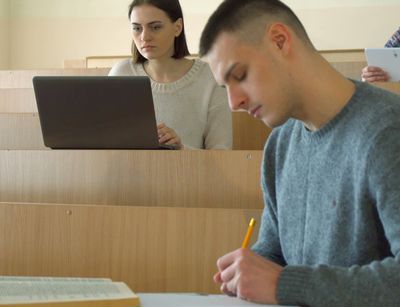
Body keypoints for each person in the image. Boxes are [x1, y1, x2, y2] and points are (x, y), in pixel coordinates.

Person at [199, 0, 400, 306]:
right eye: (224, 87)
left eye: (239, 75)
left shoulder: (387, 130)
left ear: (280, 41)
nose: (233, 102)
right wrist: (249, 271)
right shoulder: (279, 145)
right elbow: (274, 249)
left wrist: (284, 284)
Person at [109, 0, 232, 150]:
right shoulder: (121, 74)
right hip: (128, 171)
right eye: (137, 28)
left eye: (155, 27)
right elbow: (106, 142)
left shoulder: (209, 78)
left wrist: (180, 149)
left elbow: (221, 152)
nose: (145, 37)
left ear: (177, 27)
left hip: (189, 173)